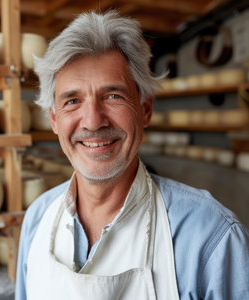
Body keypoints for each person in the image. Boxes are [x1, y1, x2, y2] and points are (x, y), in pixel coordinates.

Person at [15, 11, 249, 300]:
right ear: (54, 120)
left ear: (145, 110)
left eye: (113, 96)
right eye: (72, 101)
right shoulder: (37, 220)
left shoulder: (211, 238)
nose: (92, 121)